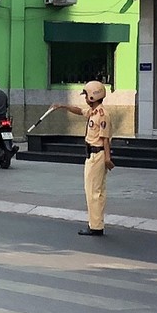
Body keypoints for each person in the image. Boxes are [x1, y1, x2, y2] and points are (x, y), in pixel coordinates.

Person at [50, 81, 115, 236]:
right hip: (91, 154)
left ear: (93, 96)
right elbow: (80, 111)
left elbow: (105, 139)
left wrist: (107, 158)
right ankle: (95, 224)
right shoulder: (93, 112)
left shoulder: (102, 114)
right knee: (94, 191)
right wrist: (63, 106)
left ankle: (96, 226)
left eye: (86, 95)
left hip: (97, 155)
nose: (85, 98)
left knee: (94, 192)